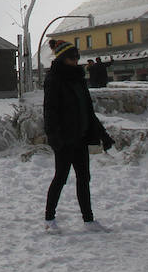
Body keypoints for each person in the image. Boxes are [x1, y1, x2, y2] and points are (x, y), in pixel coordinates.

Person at [41, 38, 114, 234]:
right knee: (61, 177)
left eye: (77, 57)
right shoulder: (54, 79)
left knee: (84, 178)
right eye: (72, 58)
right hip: (64, 139)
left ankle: (88, 220)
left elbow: (88, 111)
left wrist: (103, 135)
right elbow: (50, 111)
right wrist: (54, 137)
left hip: (80, 137)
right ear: (63, 58)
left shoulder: (79, 79)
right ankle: (49, 218)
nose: (75, 61)